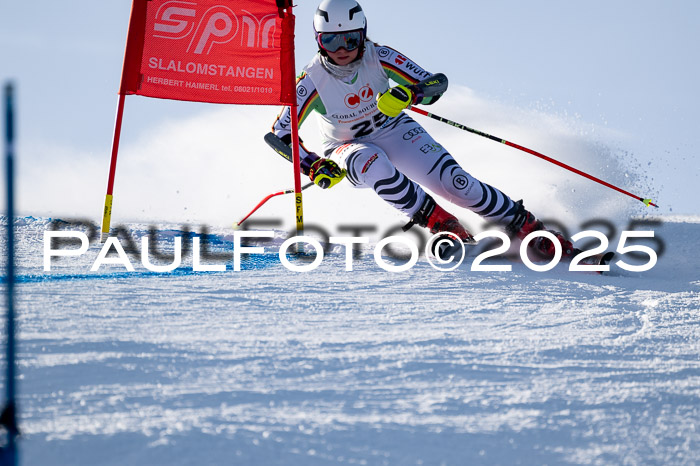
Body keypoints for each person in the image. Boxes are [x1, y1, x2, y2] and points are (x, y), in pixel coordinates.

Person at [270, 0, 576, 260]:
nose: (342, 49)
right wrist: (314, 166)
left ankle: (531, 230)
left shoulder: (380, 56)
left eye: (350, 39)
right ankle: (441, 223)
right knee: (372, 163)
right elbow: (278, 135)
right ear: (317, 40)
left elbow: (436, 82)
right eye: (331, 41)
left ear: (363, 34)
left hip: (393, 128)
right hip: (346, 148)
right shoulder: (311, 81)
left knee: (456, 182)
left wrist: (409, 94)